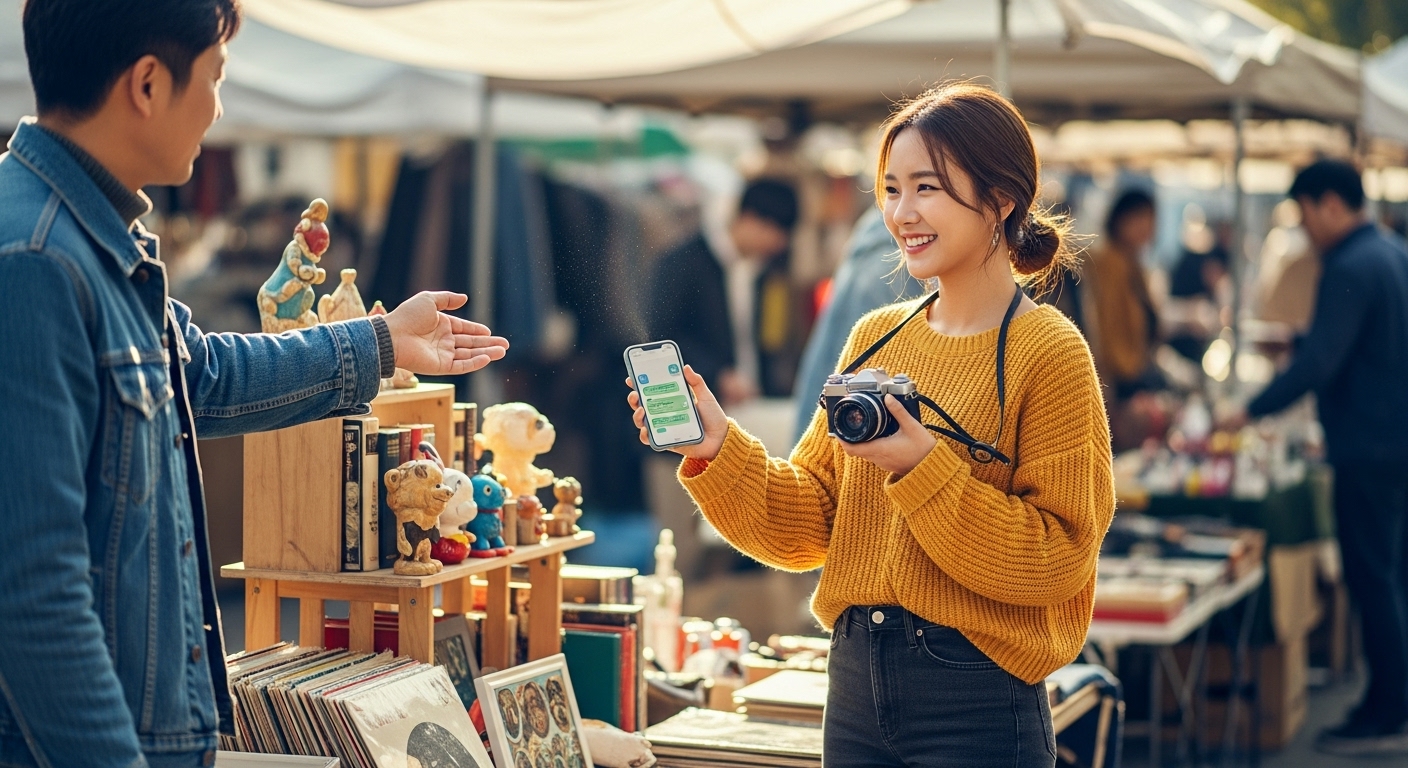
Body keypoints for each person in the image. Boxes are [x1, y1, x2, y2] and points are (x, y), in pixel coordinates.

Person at [0, 3, 509, 767]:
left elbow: (203, 372)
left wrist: (380, 341)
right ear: (146, 84)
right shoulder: (36, 260)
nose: (218, 108)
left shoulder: (91, 240)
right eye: (214, 78)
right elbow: (34, 590)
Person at [628, 83, 1113, 766]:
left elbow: (1059, 560)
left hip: (976, 695)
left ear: (1002, 199)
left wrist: (921, 468)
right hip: (854, 684)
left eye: (927, 188)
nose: (900, 213)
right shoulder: (876, 337)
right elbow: (809, 526)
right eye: (890, 188)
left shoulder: (1050, 352)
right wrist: (718, 448)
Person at [1225, 160, 1408, 756]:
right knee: (1390, 573)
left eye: (1305, 213)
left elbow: (1321, 363)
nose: (1305, 228)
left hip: (1369, 445)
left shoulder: (1351, 262)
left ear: (1330, 203)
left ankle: (1387, 710)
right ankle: (1390, 700)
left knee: (1372, 575)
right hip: (1390, 439)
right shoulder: (1389, 251)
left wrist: (1249, 409)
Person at [646, 179, 798, 405]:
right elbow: (662, 334)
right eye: (776, 232)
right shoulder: (683, 263)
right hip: (701, 404)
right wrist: (717, 376)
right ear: (749, 218)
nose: (779, 244)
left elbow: (768, 340)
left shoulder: (766, 272)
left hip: (755, 402)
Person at [791, 207, 924, 445]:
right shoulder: (891, 273)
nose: (904, 212)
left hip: (822, 432)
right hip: (848, 449)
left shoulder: (872, 250)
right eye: (892, 190)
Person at [1083, 189, 1162, 401]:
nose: (1146, 225)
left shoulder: (1134, 264)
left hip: (1132, 375)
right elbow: (1107, 323)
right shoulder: (1110, 263)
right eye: (1139, 217)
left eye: (1150, 217)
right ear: (1120, 219)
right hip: (1118, 382)